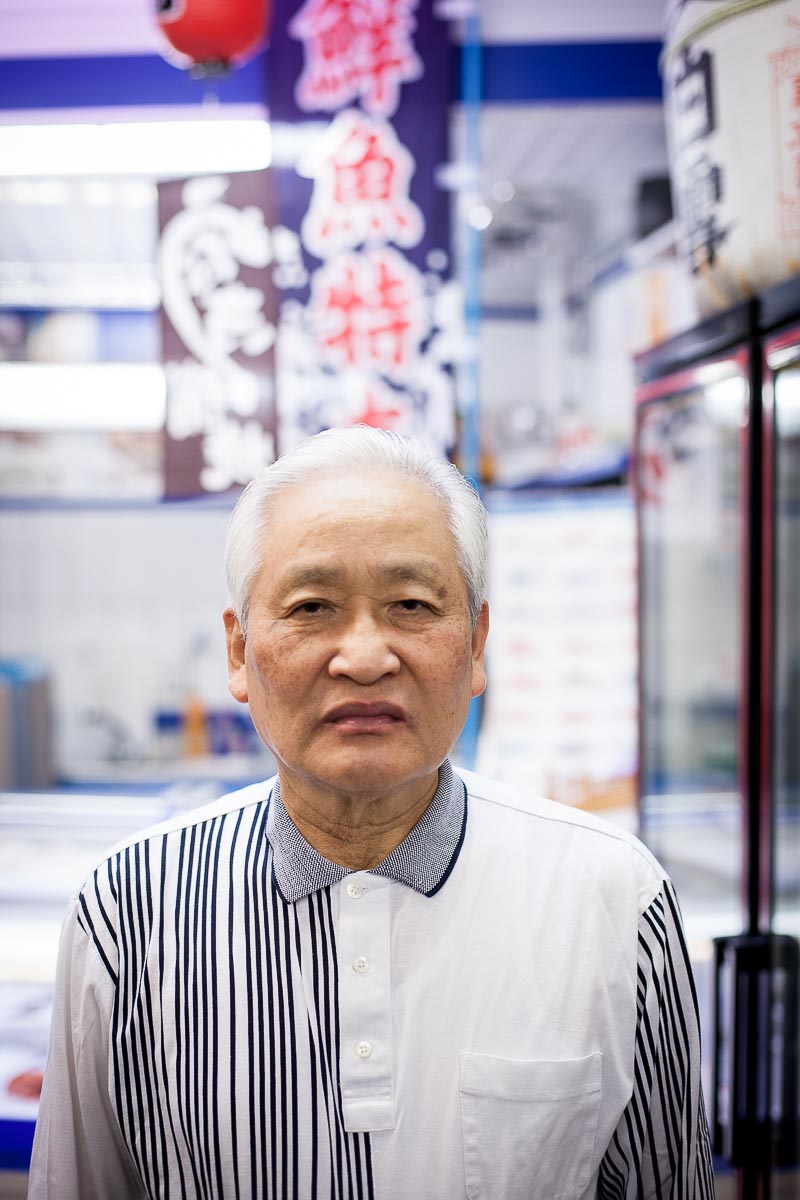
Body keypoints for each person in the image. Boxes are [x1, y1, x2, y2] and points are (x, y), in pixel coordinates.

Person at [29, 426, 714, 1199]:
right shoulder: (127, 911)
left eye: (412, 605)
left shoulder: (612, 899)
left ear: (478, 641)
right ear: (238, 653)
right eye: (312, 605)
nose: (363, 656)